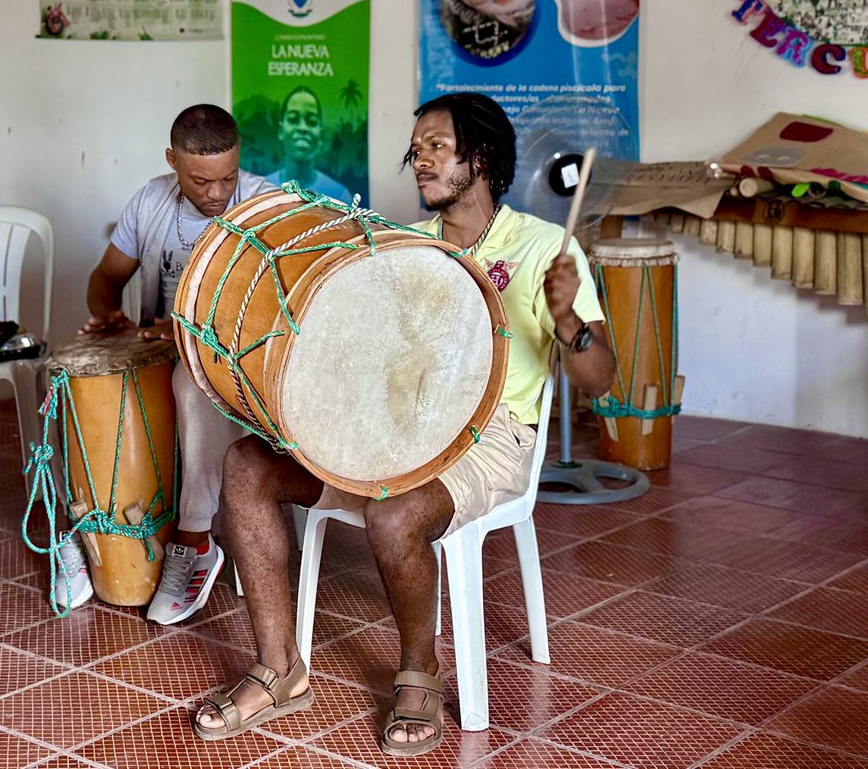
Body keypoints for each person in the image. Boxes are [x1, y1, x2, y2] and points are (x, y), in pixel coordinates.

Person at [191, 93, 616, 755]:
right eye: (416, 148)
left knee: (394, 515)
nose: (420, 159)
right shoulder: (401, 248)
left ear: (481, 157)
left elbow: (602, 378)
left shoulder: (540, 249)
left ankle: (419, 671)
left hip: (494, 437)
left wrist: (568, 325)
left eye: (436, 146)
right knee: (248, 465)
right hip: (397, 425)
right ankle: (280, 669)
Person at [80, 104, 275, 624]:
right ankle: (85, 536)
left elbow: (275, 310)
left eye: (227, 177)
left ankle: (193, 541)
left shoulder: (262, 204)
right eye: (201, 180)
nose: (216, 193)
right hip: (157, 348)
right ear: (173, 161)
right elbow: (104, 279)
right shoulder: (150, 201)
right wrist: (110, 319)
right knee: (75, 382)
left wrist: (194, 334)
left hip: (237, 362)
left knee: (193, 381)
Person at [263, 87, 354, 205]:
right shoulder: (261, 190)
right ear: (281, 131)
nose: (303, 128)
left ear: (321, 135)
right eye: (293, 119)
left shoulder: (340, 196)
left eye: (311, 121)